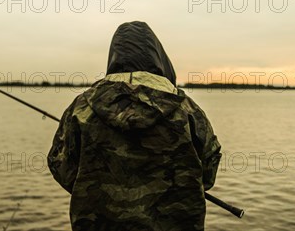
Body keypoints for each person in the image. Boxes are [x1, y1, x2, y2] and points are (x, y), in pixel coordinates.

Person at [48, 21, 222, 231]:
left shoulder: (81, 108)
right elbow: (209, 169)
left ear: (113, 56)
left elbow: (62, 168)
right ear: (158, 56)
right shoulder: (188, 111)